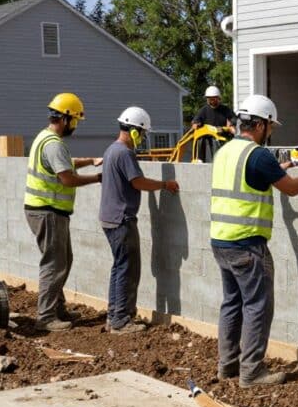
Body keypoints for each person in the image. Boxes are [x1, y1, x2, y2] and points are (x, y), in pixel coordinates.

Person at [210, 94, 298, 387]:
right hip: (247, 245)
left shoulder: (225, 151)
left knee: (232, 304)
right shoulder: (258, 155)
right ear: (259, 125)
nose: (270, 132)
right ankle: (251, 372)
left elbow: (253, 179)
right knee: (257, 306)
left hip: (221, 241)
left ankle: (228, 366)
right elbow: (292, 190)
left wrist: (279, 169)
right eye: (270, 127)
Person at [24, 93, 103, 332]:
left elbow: (64, 162)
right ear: (65, 118)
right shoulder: (54, 144)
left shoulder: (45, 138)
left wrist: (89, 160)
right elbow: (67, 178)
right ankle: (46, 317)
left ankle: (57, 309)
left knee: (63, 261)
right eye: (75, 121)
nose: (75, 127)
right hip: (47, 211)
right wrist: (99, 178)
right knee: (54, 264)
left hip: (46, 210)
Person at [99, 106, 180, 334]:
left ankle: (114, 315)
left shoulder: (110, 150)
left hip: (110, 218)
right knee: (127, 269)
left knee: (119, 268)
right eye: (142, 133)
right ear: (135, 131)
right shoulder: (124, 153)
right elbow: (138, 182)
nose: (142, 138)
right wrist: (165, 185)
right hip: (121, 220)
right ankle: (121, 321)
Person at [191, 86, 234, 162]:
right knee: (201, 139)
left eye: (214, 99)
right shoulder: (204, 110)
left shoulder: (225, 109)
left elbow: (233, 120)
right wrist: (195, 124)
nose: (212, 101)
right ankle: (200, 160)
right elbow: (195, 121)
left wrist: (230, 125)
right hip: (207, 138)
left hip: (221, 136)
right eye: (209, 99)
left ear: (218, 98)